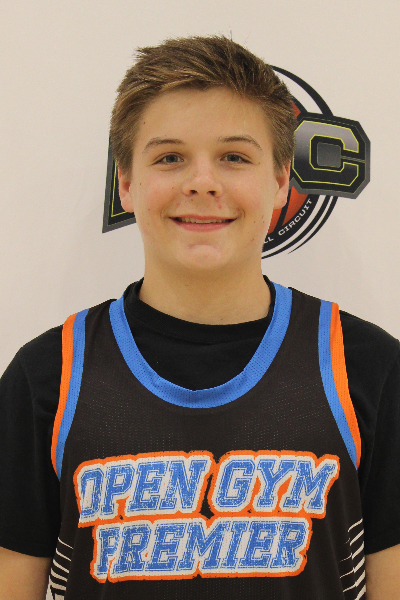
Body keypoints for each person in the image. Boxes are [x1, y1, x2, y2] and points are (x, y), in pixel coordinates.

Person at [0, 34, 399, 600]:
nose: (202, 181)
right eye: (170, 157)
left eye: (234, 157)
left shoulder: (368, 368)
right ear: (126, 183)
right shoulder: (48, 376)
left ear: (280, 181)